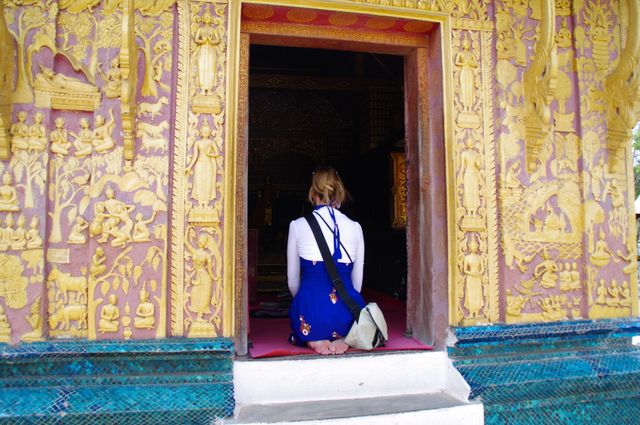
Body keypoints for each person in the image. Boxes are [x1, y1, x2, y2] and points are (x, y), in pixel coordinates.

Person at [287, 167, 365, 355]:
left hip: (310, 314)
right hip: (347, 313)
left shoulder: (297, 226)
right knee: (351, 302)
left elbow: (292, 283)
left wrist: (311, 304)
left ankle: (313, 336)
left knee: (306, 305)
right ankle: (345, 336)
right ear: (340, 193)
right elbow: (357, 284)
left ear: (313, 193)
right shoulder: (355, 228)